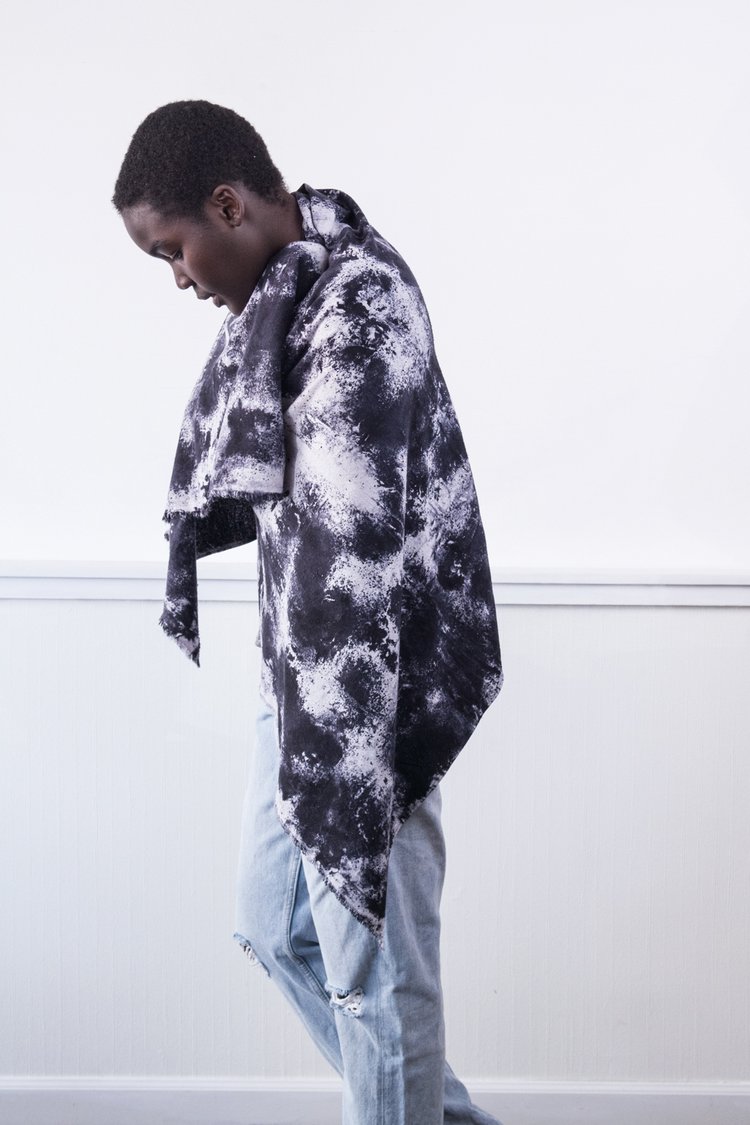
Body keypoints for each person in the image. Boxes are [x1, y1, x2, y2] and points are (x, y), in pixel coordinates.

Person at [113, 100, 503, 1125]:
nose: (180, 277)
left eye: (173, 250)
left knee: (375, 979)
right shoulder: (287, 292)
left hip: (370, 696)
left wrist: (351, 770)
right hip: (297, 673)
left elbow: (355, 562)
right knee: (274, 923)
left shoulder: (362, 307)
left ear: (227, 205)